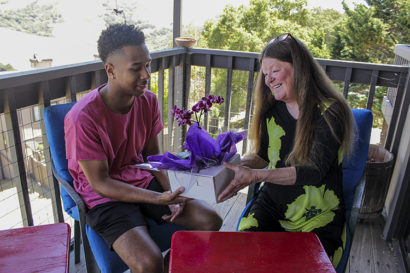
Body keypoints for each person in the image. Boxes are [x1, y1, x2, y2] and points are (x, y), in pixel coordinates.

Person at [65, 24, 222, 273]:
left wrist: (172, 191)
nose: (146, 74)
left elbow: (152, 159)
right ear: (111, 70)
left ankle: (171, 268)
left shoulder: (148, 101)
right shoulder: (82, 117)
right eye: (136, 68)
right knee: (148, 263)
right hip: (105, 197)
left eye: (147, 65)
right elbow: (100, 183)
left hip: (140, 179)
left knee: (210, 220)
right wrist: (159, 198)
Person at [218, 33, 354, 267]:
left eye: (275, 70)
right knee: (244, 258)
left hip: (318, 217)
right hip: (272, 206)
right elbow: (262, 157)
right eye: (265, 73)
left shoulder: (330, 112)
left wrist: (256, 176)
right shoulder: (272, 112)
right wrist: (229, 164)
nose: (268, 80)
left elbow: (312, 171)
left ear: (298, 68)